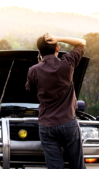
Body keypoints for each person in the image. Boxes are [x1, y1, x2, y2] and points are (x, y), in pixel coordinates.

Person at [25, 34, 86, 169]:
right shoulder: (68, 63)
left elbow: (29, 89)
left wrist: (40, 66)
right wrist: (59, 38)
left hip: (47, 126)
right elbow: (82, 43)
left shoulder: (33, 70)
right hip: (69, 123)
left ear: (40, 52)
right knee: (78, 165)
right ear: (57, 48)